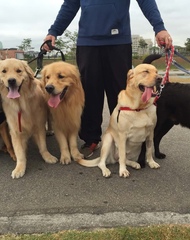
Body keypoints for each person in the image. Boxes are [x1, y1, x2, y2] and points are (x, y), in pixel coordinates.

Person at [43, 0, 173, 159]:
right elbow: (70, 5)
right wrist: (54, 31)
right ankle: (90, 139)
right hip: (87, 42)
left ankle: (126, 138)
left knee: (120, 92)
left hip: (119, 40)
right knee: (89, 92)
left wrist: (159, 27)